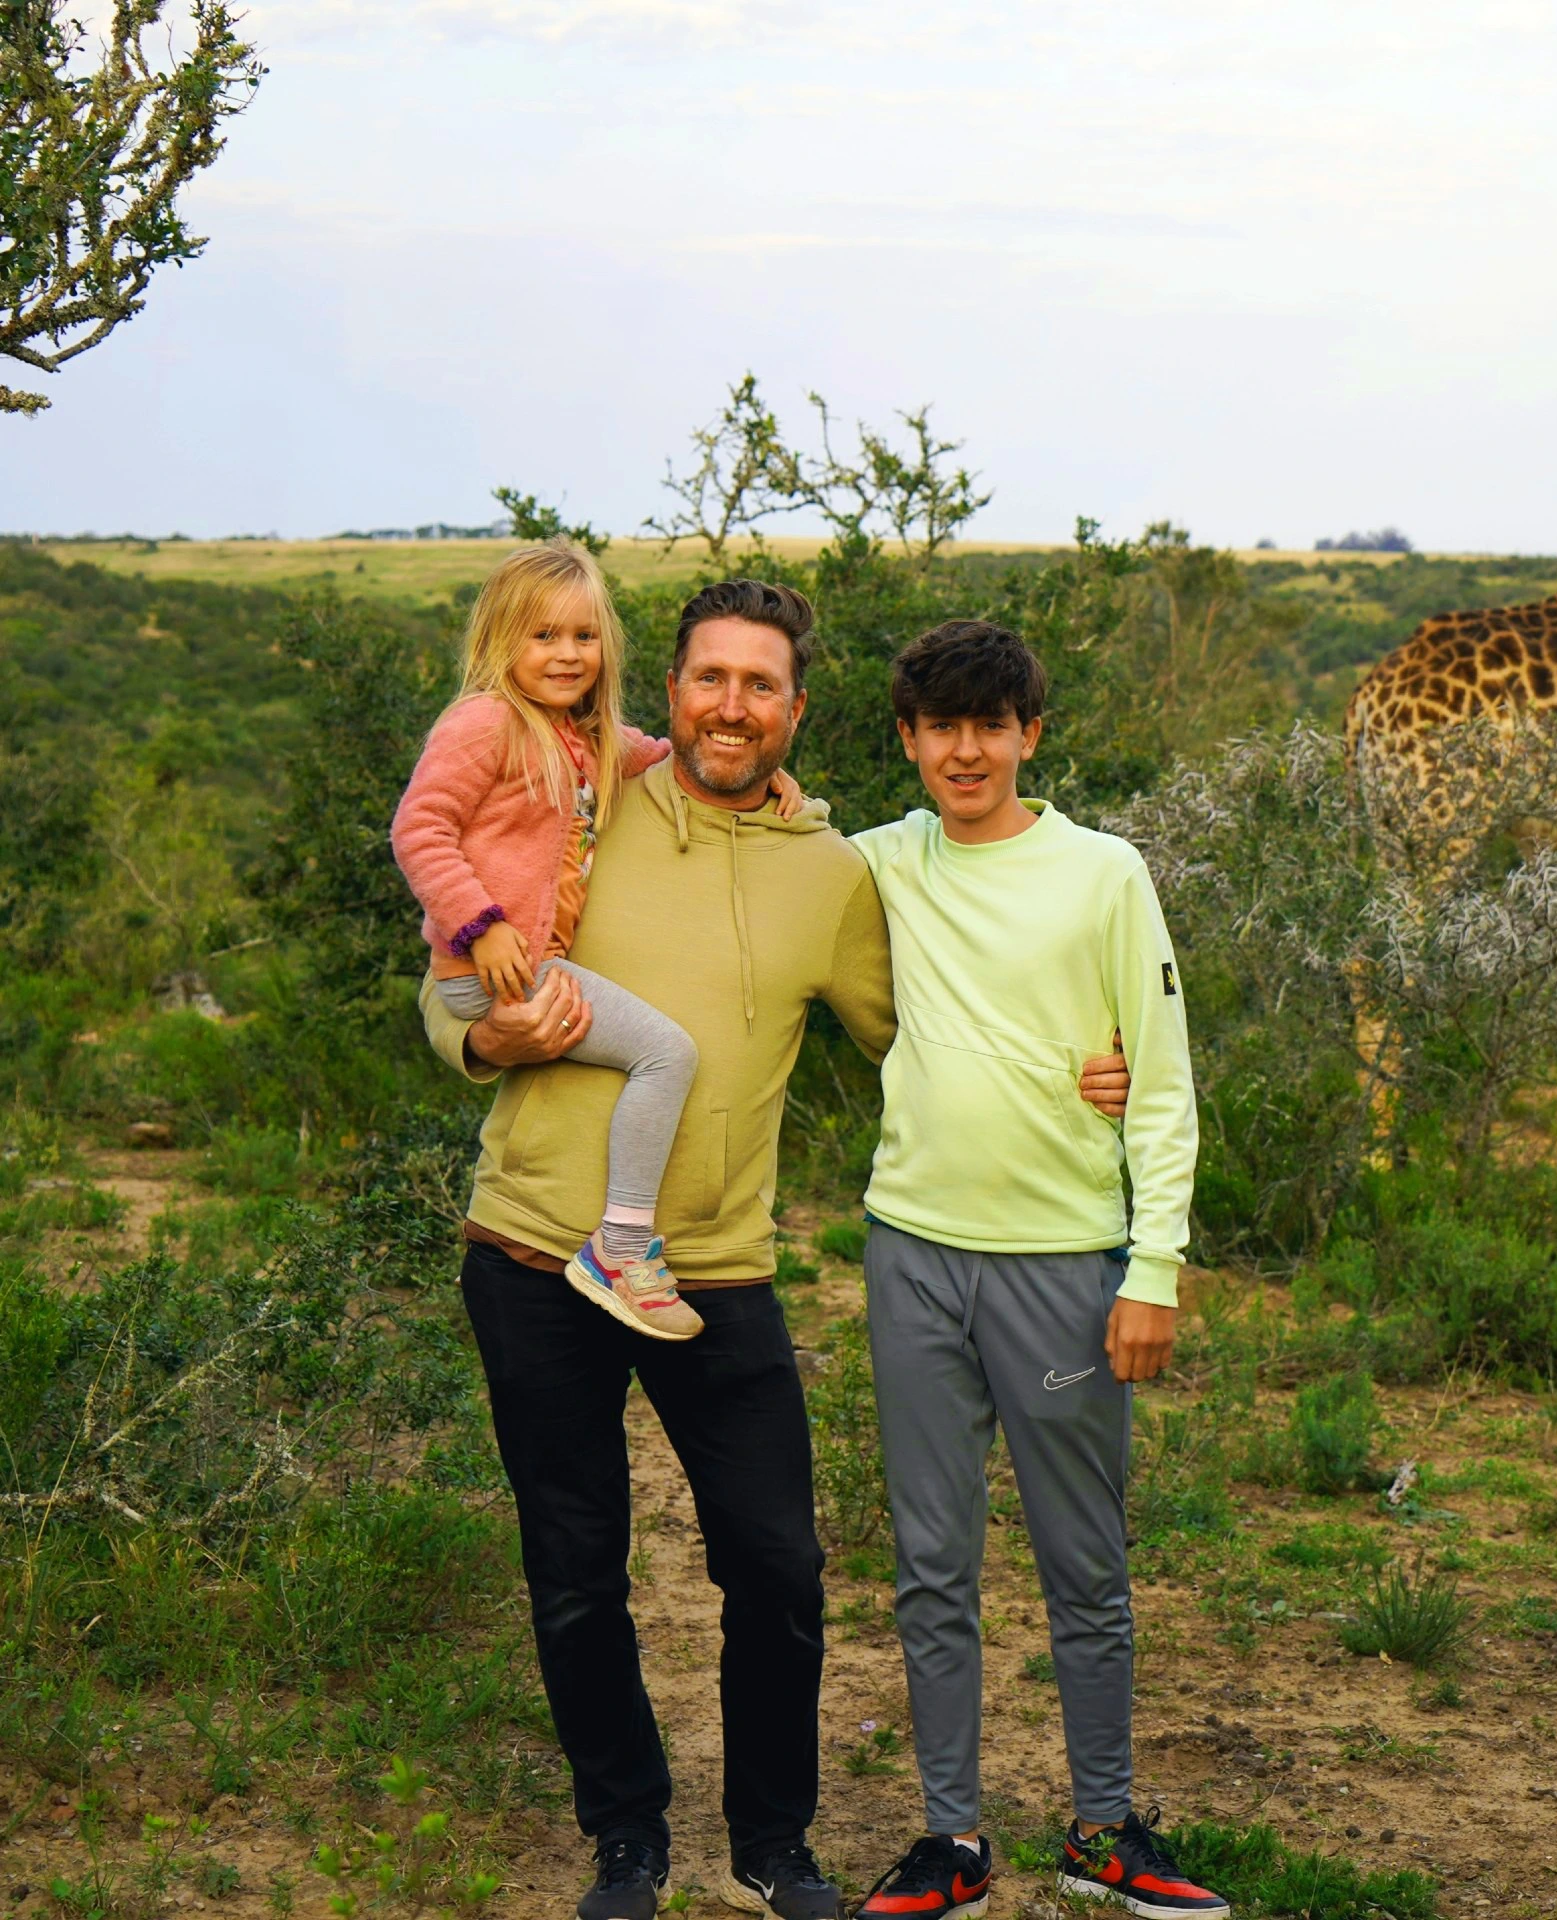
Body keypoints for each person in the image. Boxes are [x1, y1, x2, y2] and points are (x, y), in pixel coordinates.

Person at [416, 581, 1131, 1920]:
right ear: (666, 690)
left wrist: (1087, 1065)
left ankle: (772, 1846)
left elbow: (925, 1027)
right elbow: (449, 957)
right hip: (530, 1251)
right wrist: (471, 1036)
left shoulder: (834, 872)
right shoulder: (590, 803)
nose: (730, 706)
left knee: (781, 1573)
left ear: (797, 709)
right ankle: (626, 1836)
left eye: (760, 685)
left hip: (717, 1274)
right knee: (576, 1571)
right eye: (708, 679)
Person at [847, 619, 1229, 1920]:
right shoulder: (877, 864)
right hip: (912, 1256)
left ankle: (1106, 1826)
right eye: (940, 727)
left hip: (1068, 1266)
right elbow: (753, 845)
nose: (966, 750)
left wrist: (1154, 1266)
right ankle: (951, 1841)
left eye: (990, 725)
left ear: (1030, 735)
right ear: (908, 739)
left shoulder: (1105, 874)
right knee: (932, 1562)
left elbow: (1165, 1084)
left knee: (1085, 1566)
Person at [393, 539, 801, 1339]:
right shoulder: (485, 723)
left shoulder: (577, 735)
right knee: (666, 1054)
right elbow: (421, 827)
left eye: (583, 636)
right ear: (499, 641)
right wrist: (482, 927)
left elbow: (656, 754)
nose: (567, 654)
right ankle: (619, 1247)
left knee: (655, 1052)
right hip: (495, 967)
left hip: (518, 963)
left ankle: (617, 1243)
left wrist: (765, 778)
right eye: (543, 636)